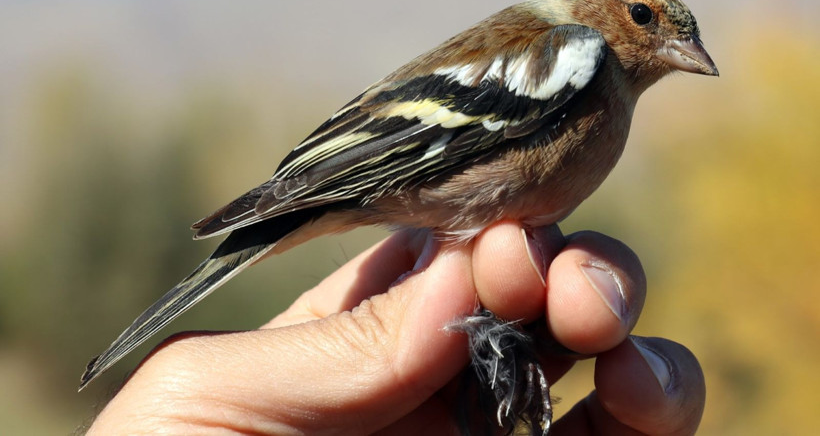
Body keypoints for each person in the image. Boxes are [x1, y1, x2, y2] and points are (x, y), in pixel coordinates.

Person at [85, 222, 705, 434]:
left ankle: (489, 371)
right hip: (396, 164)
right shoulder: (573, 61)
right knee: (505, 270)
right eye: (644, 19)